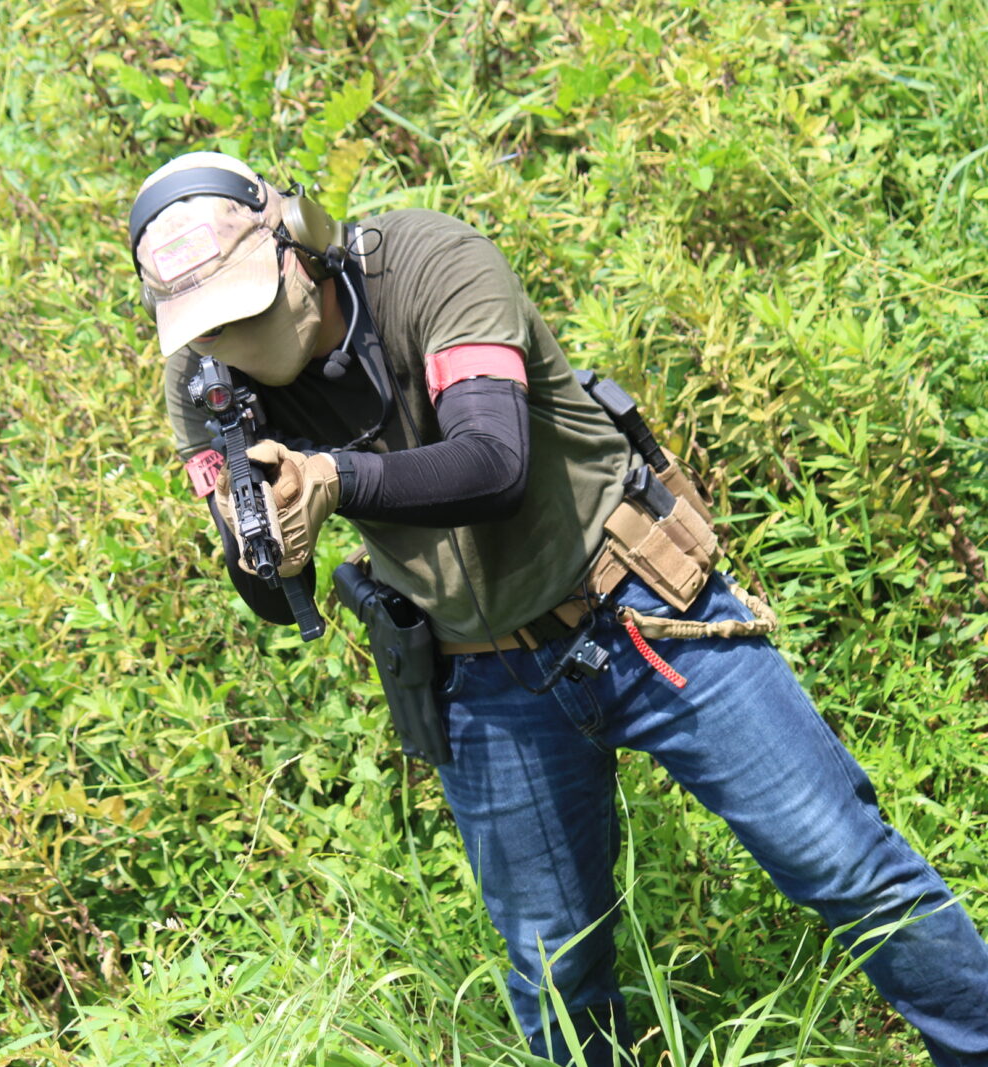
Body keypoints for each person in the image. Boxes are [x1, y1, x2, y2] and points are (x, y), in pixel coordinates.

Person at [129, 150, 988, 1066]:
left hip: (638, 602)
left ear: (298, 241)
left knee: (847, 865)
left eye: (250, 307)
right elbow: (268, 592)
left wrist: (334, 478)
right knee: (556, 969)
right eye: (211, 328)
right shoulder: (204, 386)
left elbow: (492, 461)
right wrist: (268, 544)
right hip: (481, 672)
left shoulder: (426, 265)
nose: (237, 340)